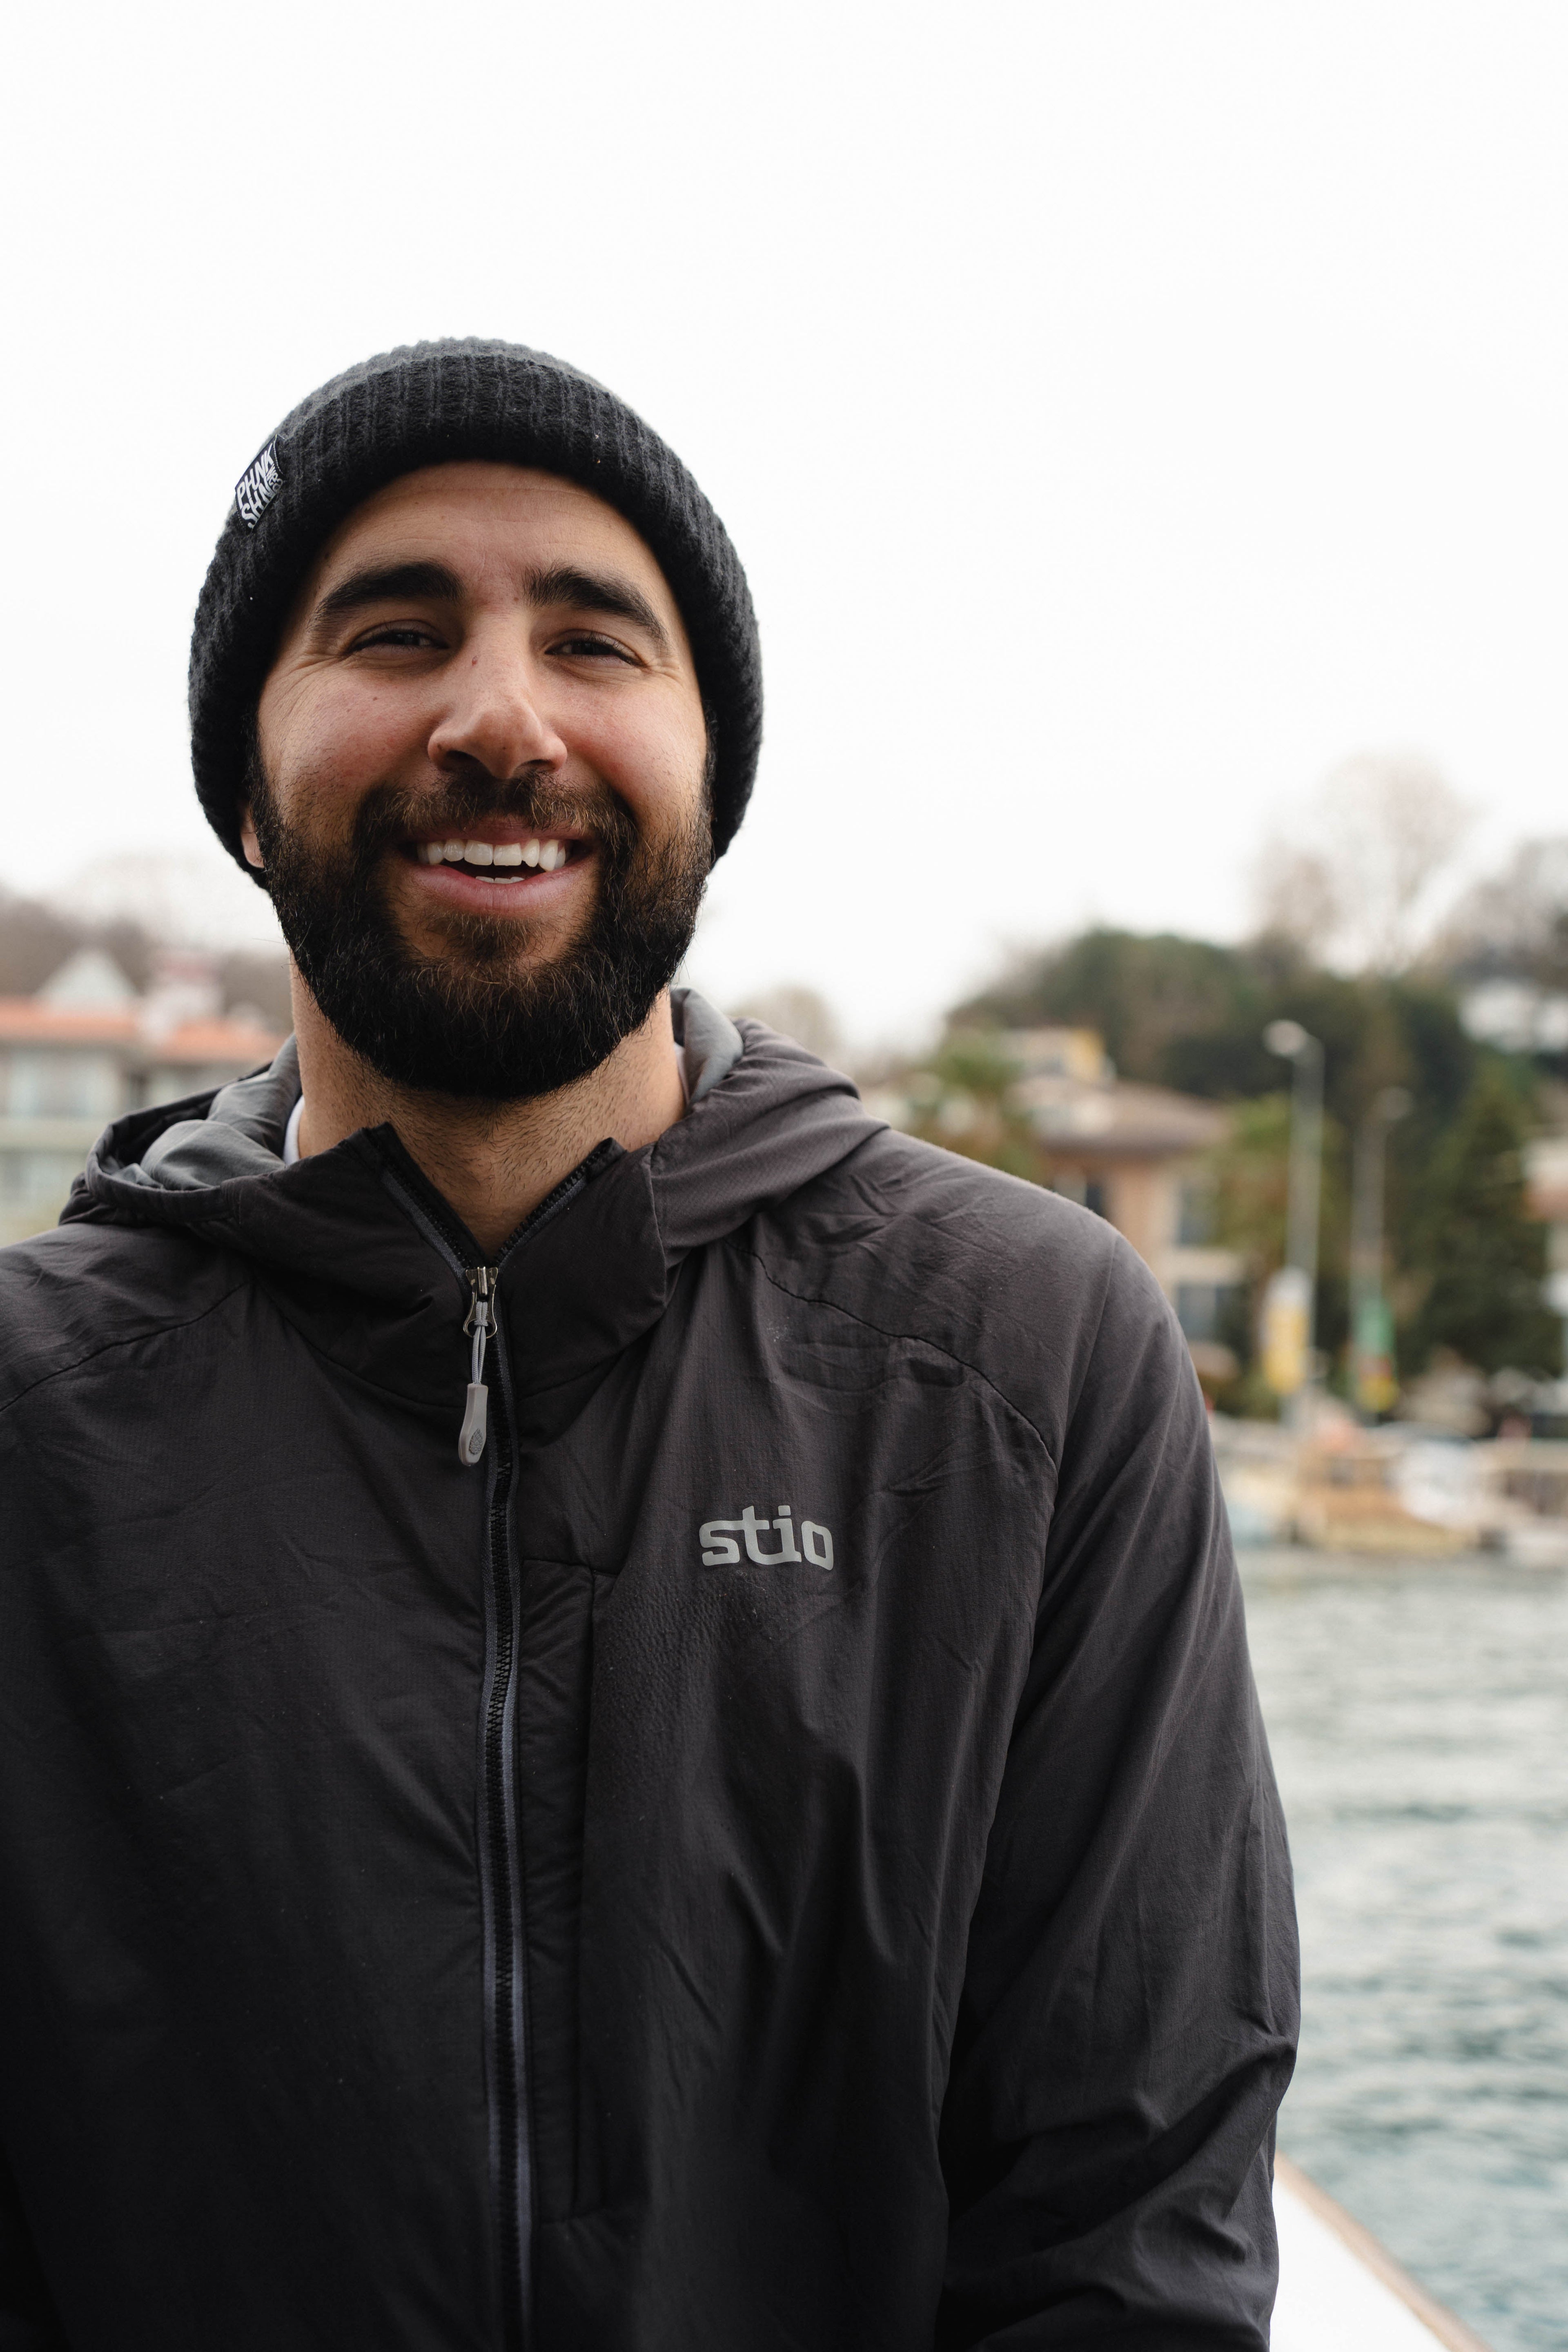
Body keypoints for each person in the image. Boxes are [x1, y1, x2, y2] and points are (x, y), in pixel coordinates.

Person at [0, 339, 1298, 2351]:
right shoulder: (28, 1422)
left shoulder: (1026, 1358)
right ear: (245, 790)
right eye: (395, 632)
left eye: (596, 643)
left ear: (710, 780)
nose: (502, 718)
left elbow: (1125, 2225)